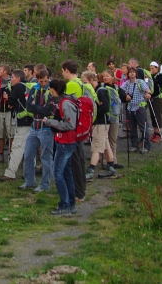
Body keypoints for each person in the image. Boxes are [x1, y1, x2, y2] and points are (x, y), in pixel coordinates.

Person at [43, 79, 78, 216]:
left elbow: (70, 124)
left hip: (66, 142)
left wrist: (50, 122)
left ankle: (65, 205)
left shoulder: (65, 103)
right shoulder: (63, 101)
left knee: (58, 174)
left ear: (54, 89)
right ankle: (70, 203)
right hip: (63, 141)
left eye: (50, 89)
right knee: (67, 173)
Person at [21, 69, 55, 193]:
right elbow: (28, 106)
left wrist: (36, 107)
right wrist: (39, 108)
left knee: (46, 156)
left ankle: (45, 184)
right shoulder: (34, 89)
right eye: (41, 81)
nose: (44, 83)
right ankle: (29, 181)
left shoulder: (51, 91)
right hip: (34, 125)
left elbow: (48, 110)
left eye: (46, 81)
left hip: (46, 127)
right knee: (28, 154)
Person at [0, 70, 30, 182]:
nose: (11, 79)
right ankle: (29, 173)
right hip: (32, 120)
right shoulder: (27, 87)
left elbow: (10, 103)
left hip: (23, 121)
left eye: (12, 77)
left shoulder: (17, 87)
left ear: (18, 78)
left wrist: (8, 99)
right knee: (29, 147)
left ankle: (10, 173)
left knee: (17, 146)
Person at [62, 60, 85, 202]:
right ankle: (81, 188)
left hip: (73, 125)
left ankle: (78, 192)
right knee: (80, 159)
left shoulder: (71, 85)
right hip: (81, 124)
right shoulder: (81, 82)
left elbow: (66, 105)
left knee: (74, 160)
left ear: (66, 70)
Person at [86, 73, 117, 180]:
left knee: (96, 146)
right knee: (105, 144)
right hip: (101, 123)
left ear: (91, 80)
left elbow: (105, 107)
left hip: (101, 123)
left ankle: (91, 171)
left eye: (85, 82)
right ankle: (111, 167)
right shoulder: (97, 91)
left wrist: (92, 113)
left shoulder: (101, 91)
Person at [121, 68, 152, 152]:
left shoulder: (140, 82)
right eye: (130, 72)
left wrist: (148, 94)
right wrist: (125, 95)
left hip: (139, 107)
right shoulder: (126, 83)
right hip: (130, 108)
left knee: (143, 127)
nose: (132, 74)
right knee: (132, 127)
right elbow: (120, 90)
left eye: (133, 72)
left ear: (136, 74)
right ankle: (134, 145)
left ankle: (146, 146)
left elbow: (147, 89)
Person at [148, 62, 162, 140]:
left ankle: (159, 132)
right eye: (150, 68)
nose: (151, 70)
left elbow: (157, 83)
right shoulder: (150, 76)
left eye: (153, 68)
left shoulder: (160, 76)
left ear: (157, 68)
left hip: (157, 98)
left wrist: (151, 77)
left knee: (157, 114)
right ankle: (155, 131)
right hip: (151, 97)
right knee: (152, 115)